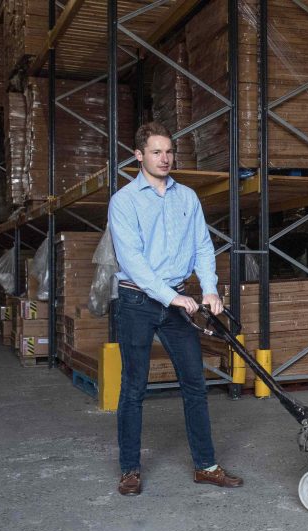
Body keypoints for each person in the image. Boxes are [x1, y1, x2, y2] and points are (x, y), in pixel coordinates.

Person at [109, 122, 243, 496]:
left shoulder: (187, 198)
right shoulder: (124, 202)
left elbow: (203, 246)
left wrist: (211, 290)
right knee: (133, 388)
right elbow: (132, 260)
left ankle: (206, 466)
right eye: (156, 152)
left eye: (169, 151)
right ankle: (129, 470)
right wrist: (170, 297)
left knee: (194, 383)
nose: (164, 158)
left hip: (179, 299)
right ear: (139, 156)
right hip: (138, 301)